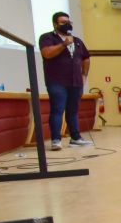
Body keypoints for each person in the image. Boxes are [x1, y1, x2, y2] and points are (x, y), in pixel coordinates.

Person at [39, 11, 93, 150]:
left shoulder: (78, 41)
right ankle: (56, 140)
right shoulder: (47, 37)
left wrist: (84, 75)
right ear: (55, 24)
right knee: (57, 109)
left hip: (75, 81)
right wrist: (63, 44)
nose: (67, 24)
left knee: (73, 110)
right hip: (57, 81)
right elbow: (47, 53)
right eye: (63, 22)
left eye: (68, 22)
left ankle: (75, 138)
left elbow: (86, 58)